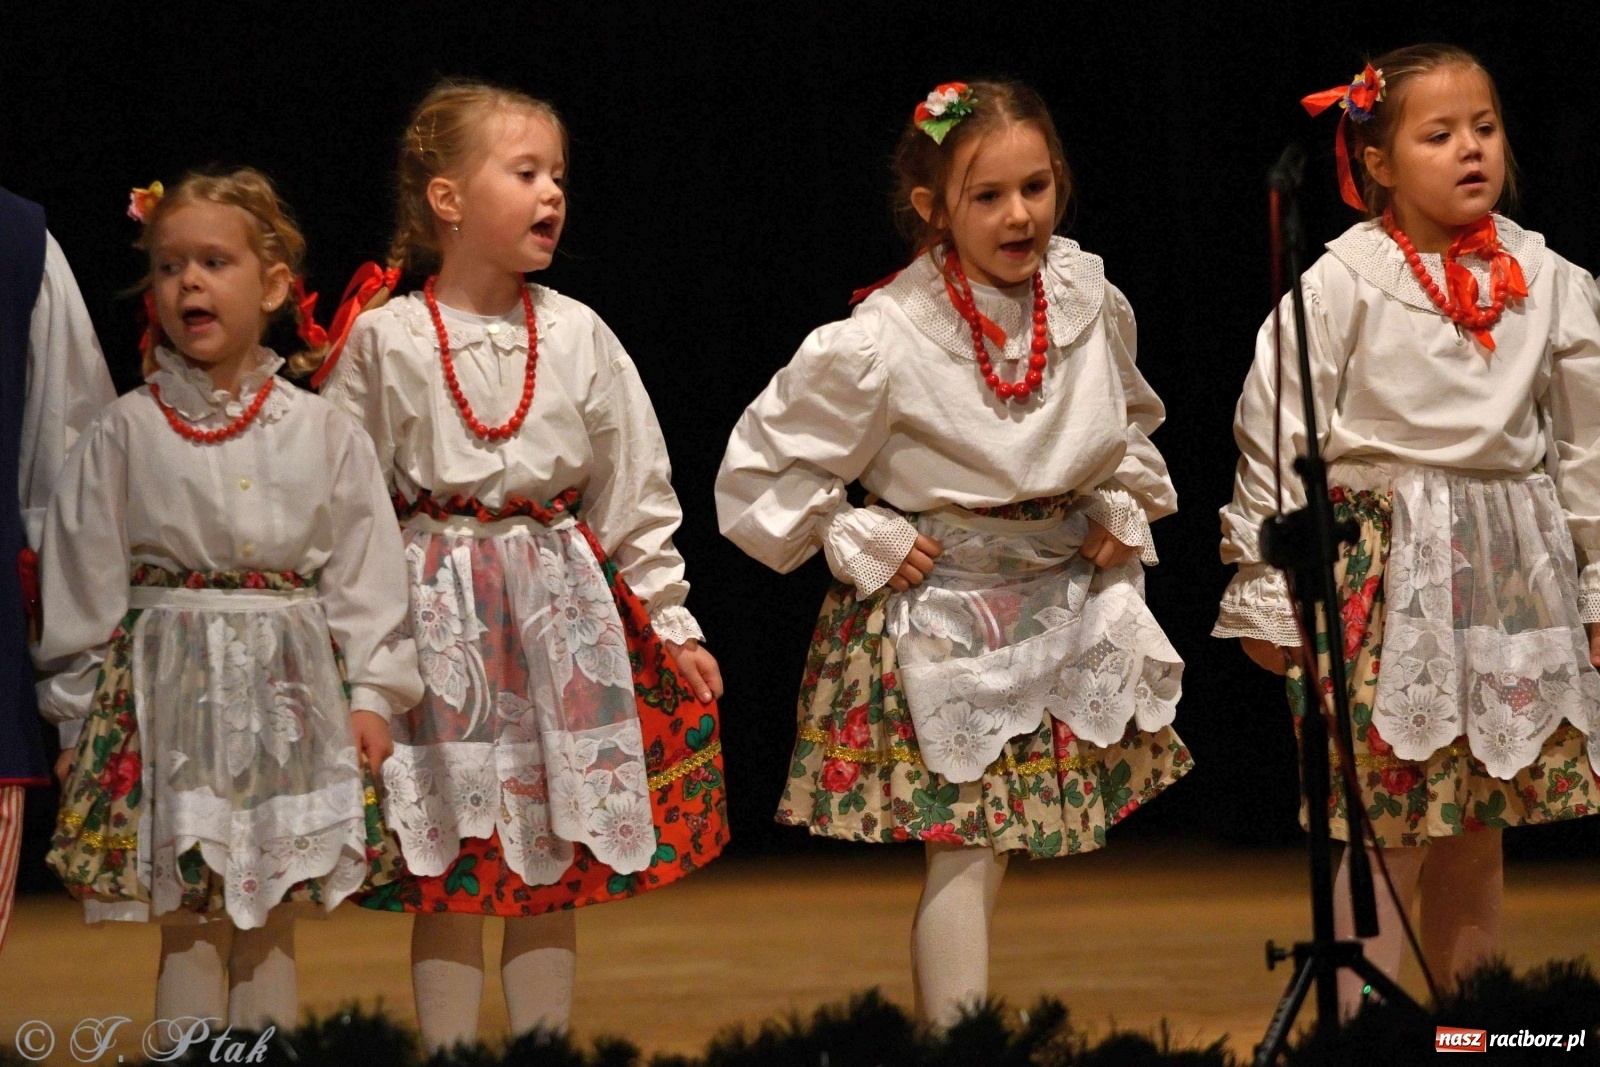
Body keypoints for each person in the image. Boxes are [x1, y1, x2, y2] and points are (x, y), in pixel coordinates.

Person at [716, 79, 1188, 1027]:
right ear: (932, 207)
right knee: (966, 844)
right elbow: (761, 467)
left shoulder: (1085, 298)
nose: (1020, 214)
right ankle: (964, 1043)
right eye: (988, 196)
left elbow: (1127, 422)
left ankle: (954, 1042)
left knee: (988, 846)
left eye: (1037, 187)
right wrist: (852, 527)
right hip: (950, 611)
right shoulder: (888, 333)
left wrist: (1123, 498)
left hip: (1058, 594)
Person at [317, 80, 727, 1050]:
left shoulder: (579, 333)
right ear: (448, 198)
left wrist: (673, 623)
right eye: (526, 172)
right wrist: (351, 653)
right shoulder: (387, 340)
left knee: (548, 864)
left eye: (560, 177)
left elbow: (636, 494)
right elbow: (342, 506)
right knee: (451, 862)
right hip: (438, 631)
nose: (552, 194)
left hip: (555, 622)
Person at [1215, 44, 1600, 1011]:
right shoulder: (1345, 281)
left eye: (1484, 128)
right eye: (1438, 135)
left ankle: (1474, 1033)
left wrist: (1595, 583)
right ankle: (1364, 1037)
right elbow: (1278, 424)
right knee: (1383, 825)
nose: (1471, 149)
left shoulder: (1550, 277)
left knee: (1479, 822)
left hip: (1512, 571)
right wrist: (1268, 586)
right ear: (1378, 162)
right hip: (1387, 576)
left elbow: (1589, 446)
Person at [39, 169, 420, 1028]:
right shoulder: (125, 430)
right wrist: (76, 720)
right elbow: (81, 580)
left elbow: (365, 575)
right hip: (168, 707)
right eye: (170, 266)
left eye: (214, 261)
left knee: (273, 914)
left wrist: (372, 697)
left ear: (274, 284)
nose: (189, 283)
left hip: (288, 703)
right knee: (188, 923)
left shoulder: (323, 430)